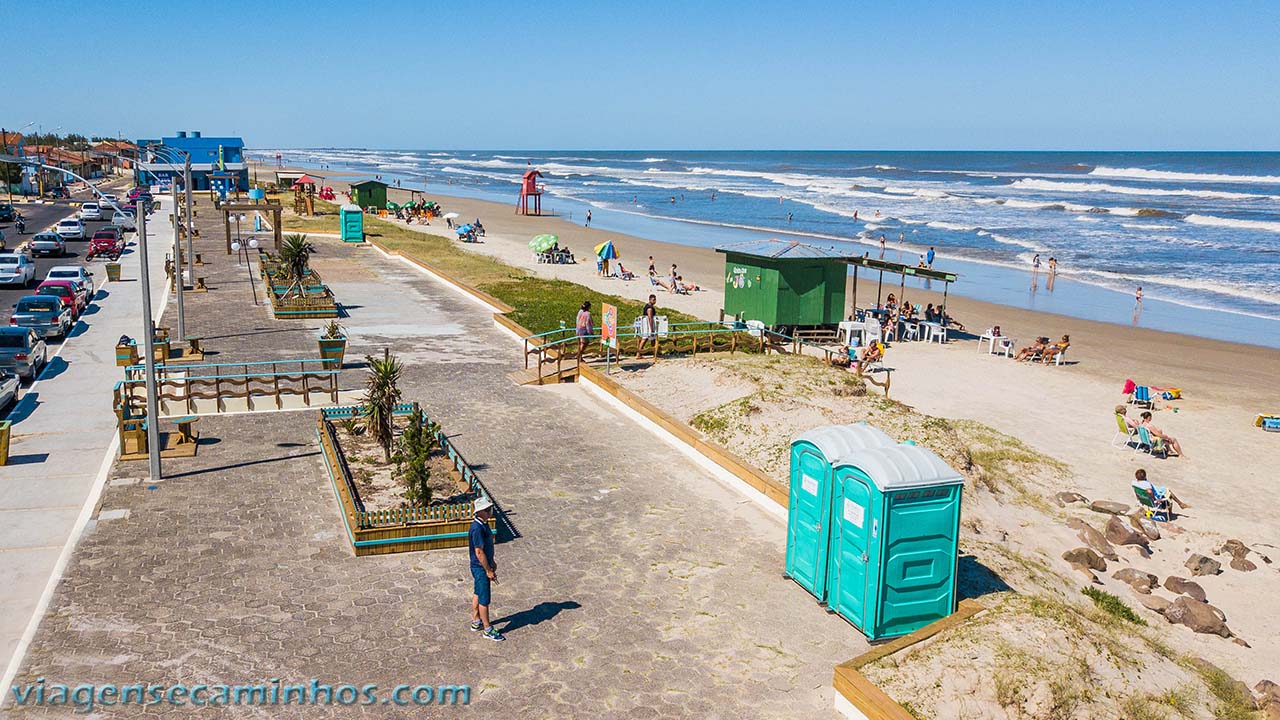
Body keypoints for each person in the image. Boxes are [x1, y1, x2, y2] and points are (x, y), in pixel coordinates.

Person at [468, 497, 504, 642]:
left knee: (477, 592)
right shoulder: (477, 528)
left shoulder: (483, 523)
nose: (490, 511)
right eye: (487, 509)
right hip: (480, 567)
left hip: (481, 566)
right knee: (484, 599)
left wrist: (492, 560)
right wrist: (488, 570)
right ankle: (487, 629)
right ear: (480, 512)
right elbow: (479, 552)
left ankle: (476, 621)